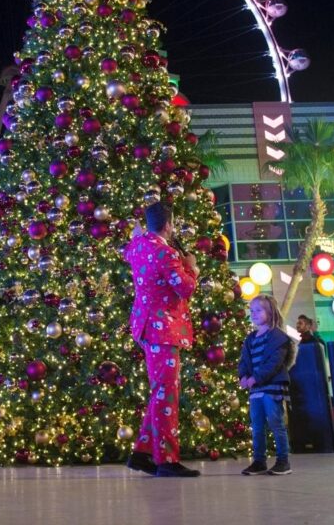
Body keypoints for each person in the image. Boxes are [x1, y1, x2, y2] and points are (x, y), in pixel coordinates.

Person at [123, 202, 199, 478]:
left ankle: (142, 454)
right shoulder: (165, 252)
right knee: (166, 393)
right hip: (163, 329)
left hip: (145, 326)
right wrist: (191, 268)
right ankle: (166, 460)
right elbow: (185, 287)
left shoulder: (138, 246)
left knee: (160, 391)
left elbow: (130, 249)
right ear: (168, 225)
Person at [239, 294, 297, 476]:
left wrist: (255, 377)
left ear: (270, 313)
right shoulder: (251, 339)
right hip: (255, 390)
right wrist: (243, 376)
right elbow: (244, 360)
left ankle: (283, 461)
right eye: (252, 310)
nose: (254, 314)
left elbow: (274, 362)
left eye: (258, 310)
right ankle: (259, 461)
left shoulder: (278, 338)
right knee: (256, 426)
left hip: (271, 388)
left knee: (275, 423)